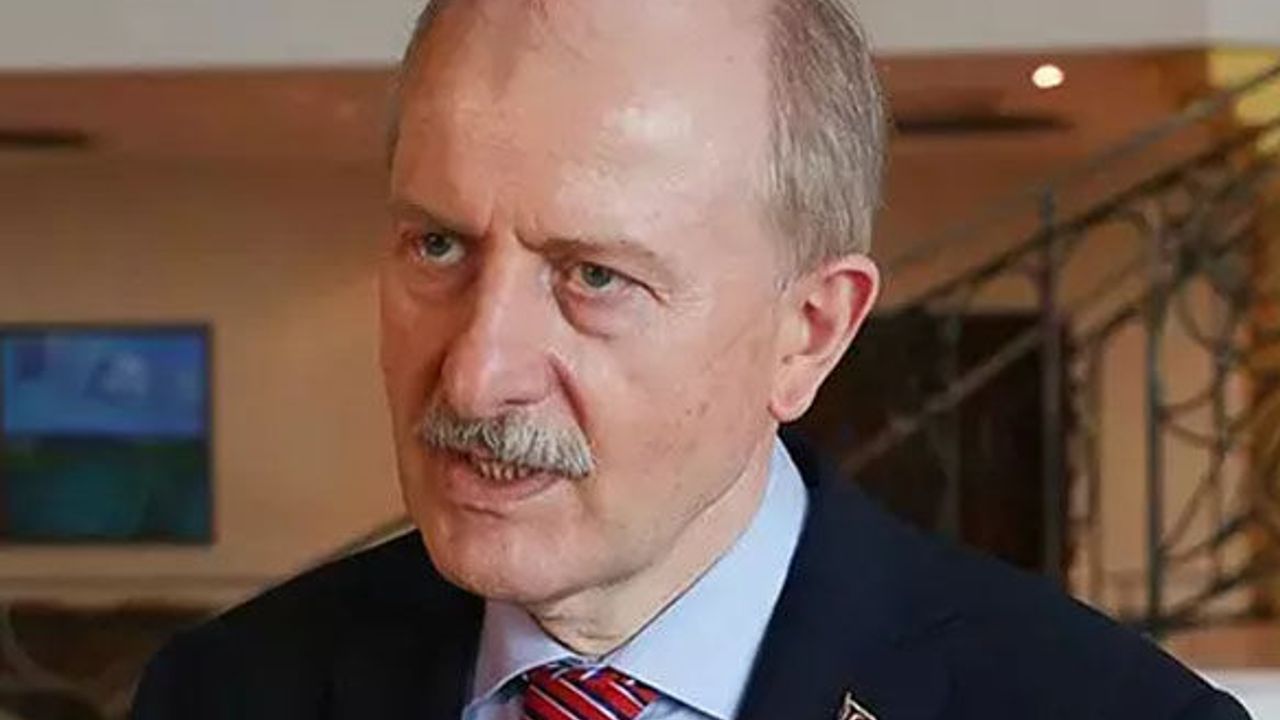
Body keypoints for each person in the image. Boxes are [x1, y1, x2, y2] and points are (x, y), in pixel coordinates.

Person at [131, 1, 1252, 718]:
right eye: (438, 246)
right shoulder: (223, 693)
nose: (475, 375)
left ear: (807, 332)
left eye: (594, 276)